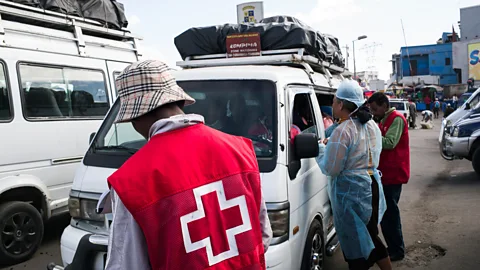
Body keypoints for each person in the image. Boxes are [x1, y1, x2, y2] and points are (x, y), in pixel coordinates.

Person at [97, 60, 272, 270]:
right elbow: (263, 235)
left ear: (137, 116)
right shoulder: (241, 150)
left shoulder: (131, 182)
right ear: (179, 102)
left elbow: (125, 265)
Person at [316, 81, 392, 270]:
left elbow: (332, 168)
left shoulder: (343, 131)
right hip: (372, 187)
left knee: (356, 241)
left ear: (341, 104)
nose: (332, 105)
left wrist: (320, 150)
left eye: (334, 101)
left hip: (352, 193)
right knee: (371, 234)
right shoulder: (370, 125)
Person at [368, 92, 410, 262]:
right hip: (384, 173)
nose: (373, 112)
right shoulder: (382, 119)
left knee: (390, 214)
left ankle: (397, 250)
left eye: (375, 109)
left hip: (394, 174)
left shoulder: (396, 119)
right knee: (385, 214)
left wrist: (371, 137)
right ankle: (392, 247)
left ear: (384, 105)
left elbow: (390, 142)